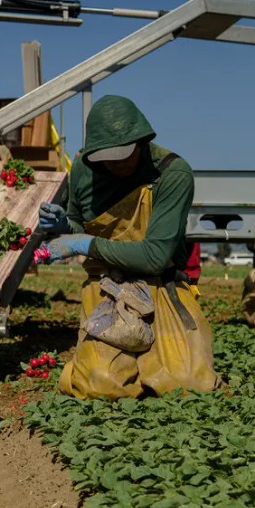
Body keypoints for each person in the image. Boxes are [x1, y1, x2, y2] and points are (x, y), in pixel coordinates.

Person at [37, 95, 219, 400]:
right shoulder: (84, 168)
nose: (116, 162)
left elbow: (155, 257)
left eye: (124, 154)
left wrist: (83, 243)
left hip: (160, 286)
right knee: (100, 383)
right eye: (107, 156)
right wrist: (65, 227)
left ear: (142, 140)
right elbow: (78, 222)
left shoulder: (172, 174)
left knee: (190, 384)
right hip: (105, 286)